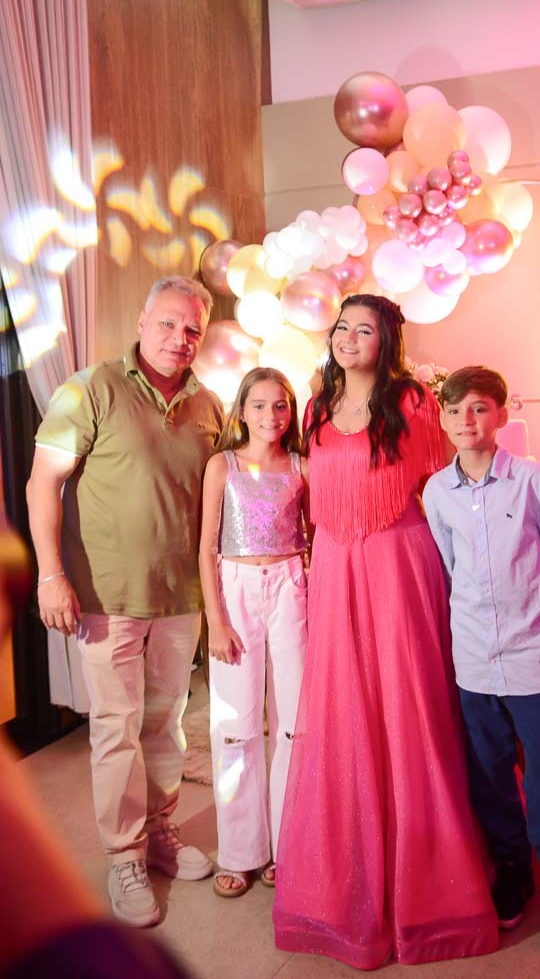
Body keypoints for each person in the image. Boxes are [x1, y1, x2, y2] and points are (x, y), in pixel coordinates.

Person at [272, 294, 500, 969]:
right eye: (341, 326)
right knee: (343, 712)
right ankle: (345, 887)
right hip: (336, 567)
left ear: (386, 340)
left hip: (400, 562)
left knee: (409, 708)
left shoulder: (414, 403)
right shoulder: (316, 407)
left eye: (363, 329)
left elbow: (446, 487)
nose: (348, 337)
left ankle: (427, 891)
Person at [25, 276, 224, 928]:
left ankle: (160, 831)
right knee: (117, 727)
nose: (179, 338)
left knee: (164, 724)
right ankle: (124, 854)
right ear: (142, 321)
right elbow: (42, 483)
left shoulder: (209, 405)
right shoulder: (89, 388)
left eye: (192, 329)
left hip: (181, 596)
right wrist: (51, 575)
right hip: (106, 595)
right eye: (168, 323)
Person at [422, 365, 540, 950]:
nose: (466, 420)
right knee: (489, 770)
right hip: (473, 653)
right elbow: (448, 569)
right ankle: (513, 867)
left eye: (478, 408)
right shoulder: (436, 492)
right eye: (454, 410)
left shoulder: (531, 480)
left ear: (501, 413)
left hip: (531, 649)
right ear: (442, 420)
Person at [198, 367, 309, 899]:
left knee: (294, 722)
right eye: (260, 405)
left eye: (280, 405)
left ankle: (290, 845)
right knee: (235, 723)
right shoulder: (223, 466)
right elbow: (206, 548)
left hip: (291, 586)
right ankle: (240, 851)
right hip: (235, 589)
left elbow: (318, 534)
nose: (271, 415)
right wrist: (216, 620)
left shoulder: (302, 466)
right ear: (242, 410)